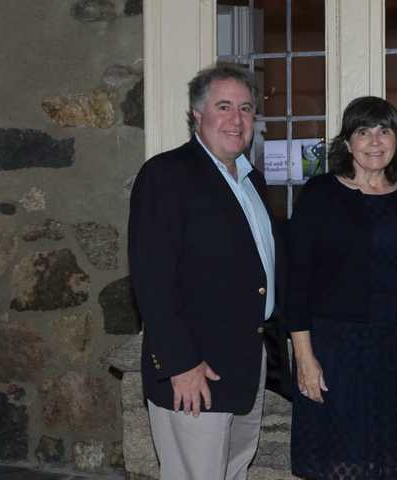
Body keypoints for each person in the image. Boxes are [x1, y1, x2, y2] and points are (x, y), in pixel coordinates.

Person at [128, 63, 289, 480]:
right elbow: (152, 280)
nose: (237, 119)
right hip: (195, 370)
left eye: (246, 108)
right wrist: (181, 365)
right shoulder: (167, 176)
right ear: (197, 115)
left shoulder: (250, 182)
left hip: (244, 365)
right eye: (224, 107)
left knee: (233, 472)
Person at [288, 96, 397, 480]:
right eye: (363, 131)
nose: (374, 141)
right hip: (335, 353)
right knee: (340, 464)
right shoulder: (320, 194)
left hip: (396, 356)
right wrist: (305, 358)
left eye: (384, 131)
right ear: (347, 142)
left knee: (390, 465)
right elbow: (295, 279)